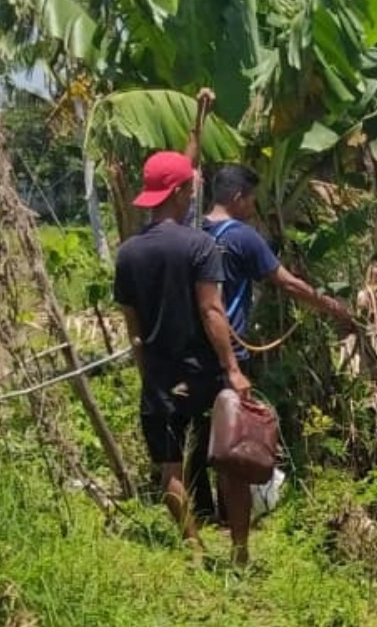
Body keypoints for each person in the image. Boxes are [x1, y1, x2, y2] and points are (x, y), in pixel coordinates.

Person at [187, 163, 354, 526]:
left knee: (198, 435)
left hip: (191, 352)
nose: (253, 207)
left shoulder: (194, 231)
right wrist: (330, 306)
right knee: (231, 436)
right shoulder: (243, 237)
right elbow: (287, 283)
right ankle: (232, 519)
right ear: (237, 197)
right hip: (229, 353)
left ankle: (199, 515)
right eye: (251, 200)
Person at [112, 149, 255, 567]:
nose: (193, 195)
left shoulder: (128, 253)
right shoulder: (199, 245)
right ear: (177, 192)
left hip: (159, 375)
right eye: (189, 190)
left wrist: (148, 374)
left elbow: (133, 327)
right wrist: (232, 369)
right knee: (231, 462)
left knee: (170, 468)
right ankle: (239, 552)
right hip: (205, 373)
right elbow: (212, 311)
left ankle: (193, 548)